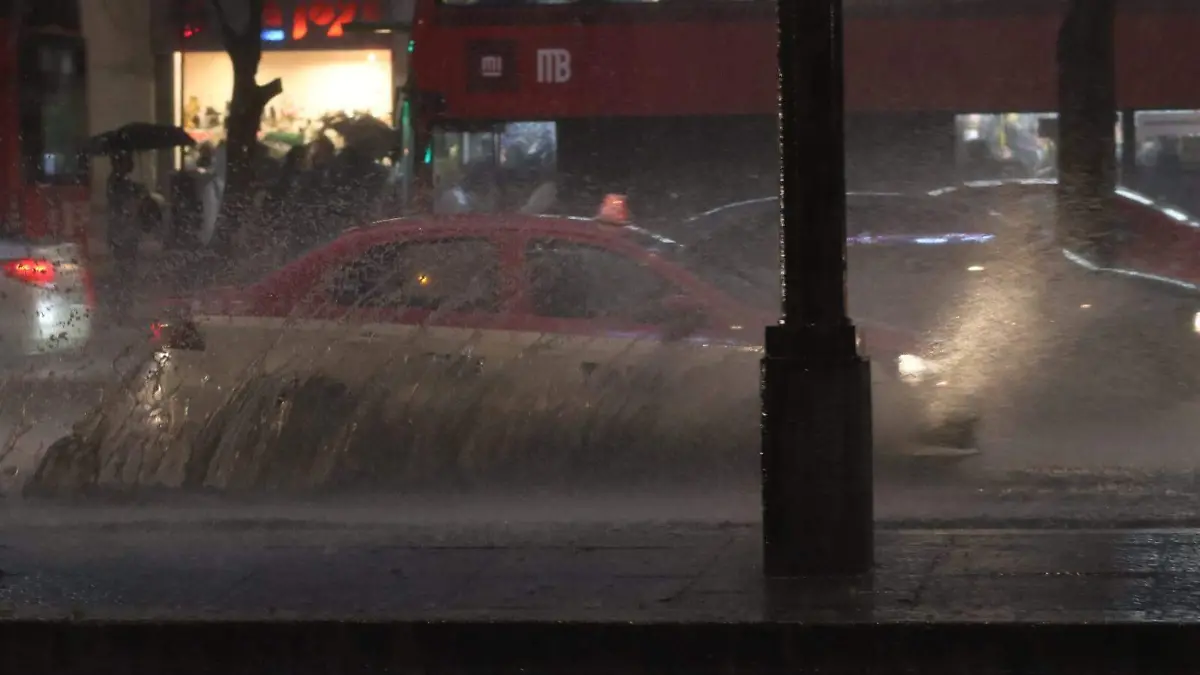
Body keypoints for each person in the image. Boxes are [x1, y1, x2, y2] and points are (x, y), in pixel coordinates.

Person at [105, 150, 142, 322]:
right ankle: (121, 310)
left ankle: (121, 309)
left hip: (122, 232)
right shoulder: (118, 183)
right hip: (123, 233)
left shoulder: (118, 182)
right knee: (125, 272)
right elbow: (126, 207)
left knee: (124, 271)